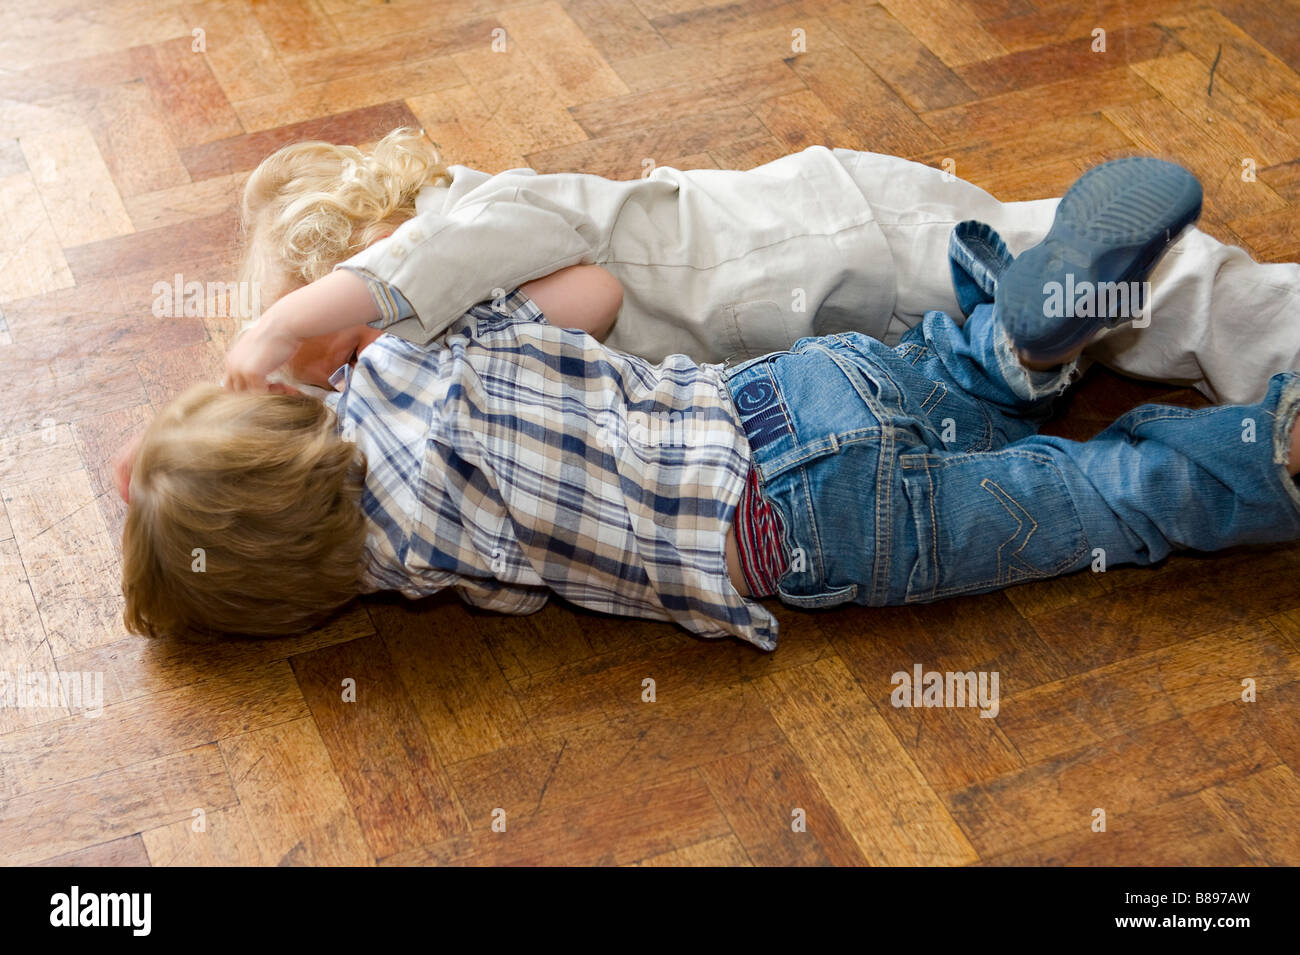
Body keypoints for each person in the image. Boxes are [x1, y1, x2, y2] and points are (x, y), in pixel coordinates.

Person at [117, 159, 1300, 650]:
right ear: (295, 402)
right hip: (787, 390)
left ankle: (1271, 452)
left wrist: (213, 534)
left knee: (1086, 498)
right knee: (951, 369)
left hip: (802, 533)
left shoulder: (412, 560)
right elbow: (595, 289)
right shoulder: (416, 361)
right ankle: (1023, 336)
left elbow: (254, 535)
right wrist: (375, 334)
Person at [240, 127, 1300, 405]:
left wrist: (301, 326)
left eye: (339, 345)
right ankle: (1030, 336)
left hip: (836, 241)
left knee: (1138, 290)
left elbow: (549, 268)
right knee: (1045, 330)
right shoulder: (431, 319)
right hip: (843, 315)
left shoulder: (461, 226)